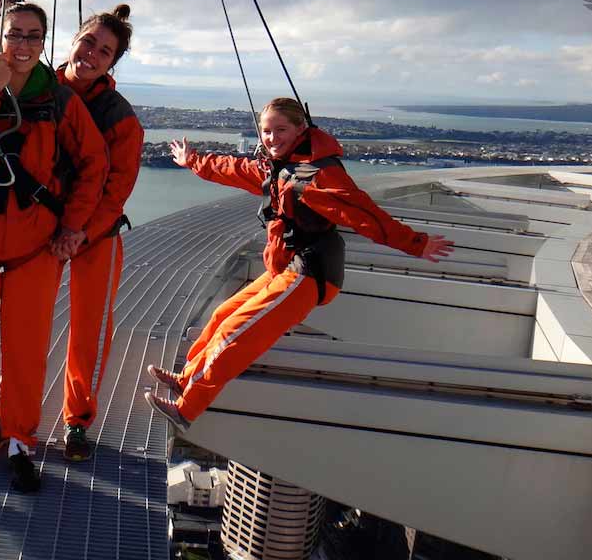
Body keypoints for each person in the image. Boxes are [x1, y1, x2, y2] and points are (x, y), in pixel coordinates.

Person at [144, 97, 455, 433]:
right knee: (223, 317)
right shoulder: (280, 167)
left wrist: (416, 244)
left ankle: (186, 409)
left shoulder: (315, 175)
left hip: (309, 272)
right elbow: (232, 168)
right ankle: (187, 379)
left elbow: (363, 214)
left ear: (300, 129)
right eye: (266, 131)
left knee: (237, 334)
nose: (272, 138)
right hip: (288, 268)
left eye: (280, 130)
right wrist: (191, 160)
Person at [0, 0, 108, 492]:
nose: (24, 44)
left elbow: (94, 165)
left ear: (44, 42)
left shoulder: (59, 100)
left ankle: (19, 445)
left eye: (34, 36)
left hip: (36, 246)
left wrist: (74, 226)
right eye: (15, 34)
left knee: (26, 350)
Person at [0, 4, 144, 462]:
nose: (92, 54)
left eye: (105, 51)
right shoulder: (37, 86)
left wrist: (80, 233)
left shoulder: (120, 116)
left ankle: (77, 420)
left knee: (89, 330)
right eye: (88, 42)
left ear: (113, 63)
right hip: (43, 226)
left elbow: (116, 190)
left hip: (95, 234)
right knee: (22, 327)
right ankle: (5, 412)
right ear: (72, 40)